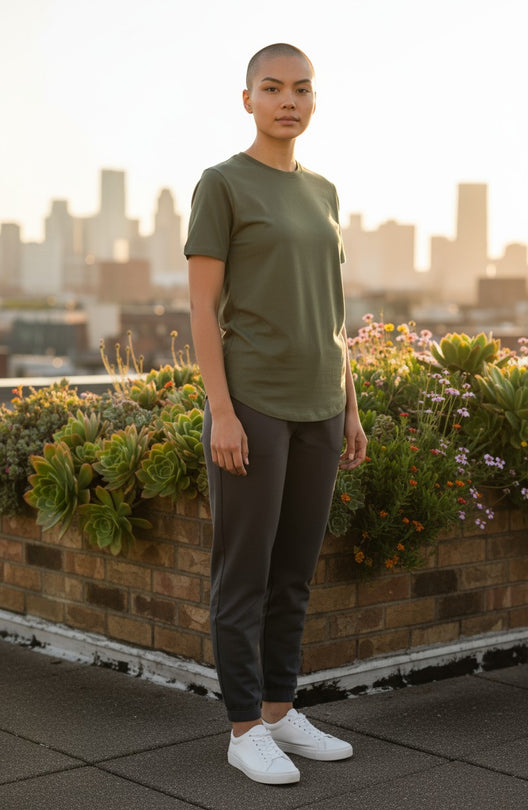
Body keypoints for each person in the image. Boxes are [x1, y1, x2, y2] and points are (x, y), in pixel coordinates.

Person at [185, 43, 367, 785]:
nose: (288, 100)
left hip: (323, 404)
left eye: (301, 89)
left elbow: (332, 311)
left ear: (313, 100)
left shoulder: (323, 191)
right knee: (244, 573)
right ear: (248, 99)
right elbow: (202, 306)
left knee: (294, 572)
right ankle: (240, 729)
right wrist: (221, 411)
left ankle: (280, 712)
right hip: (253, 404)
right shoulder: (222, 184)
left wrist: (350, 406)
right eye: (273, 88)